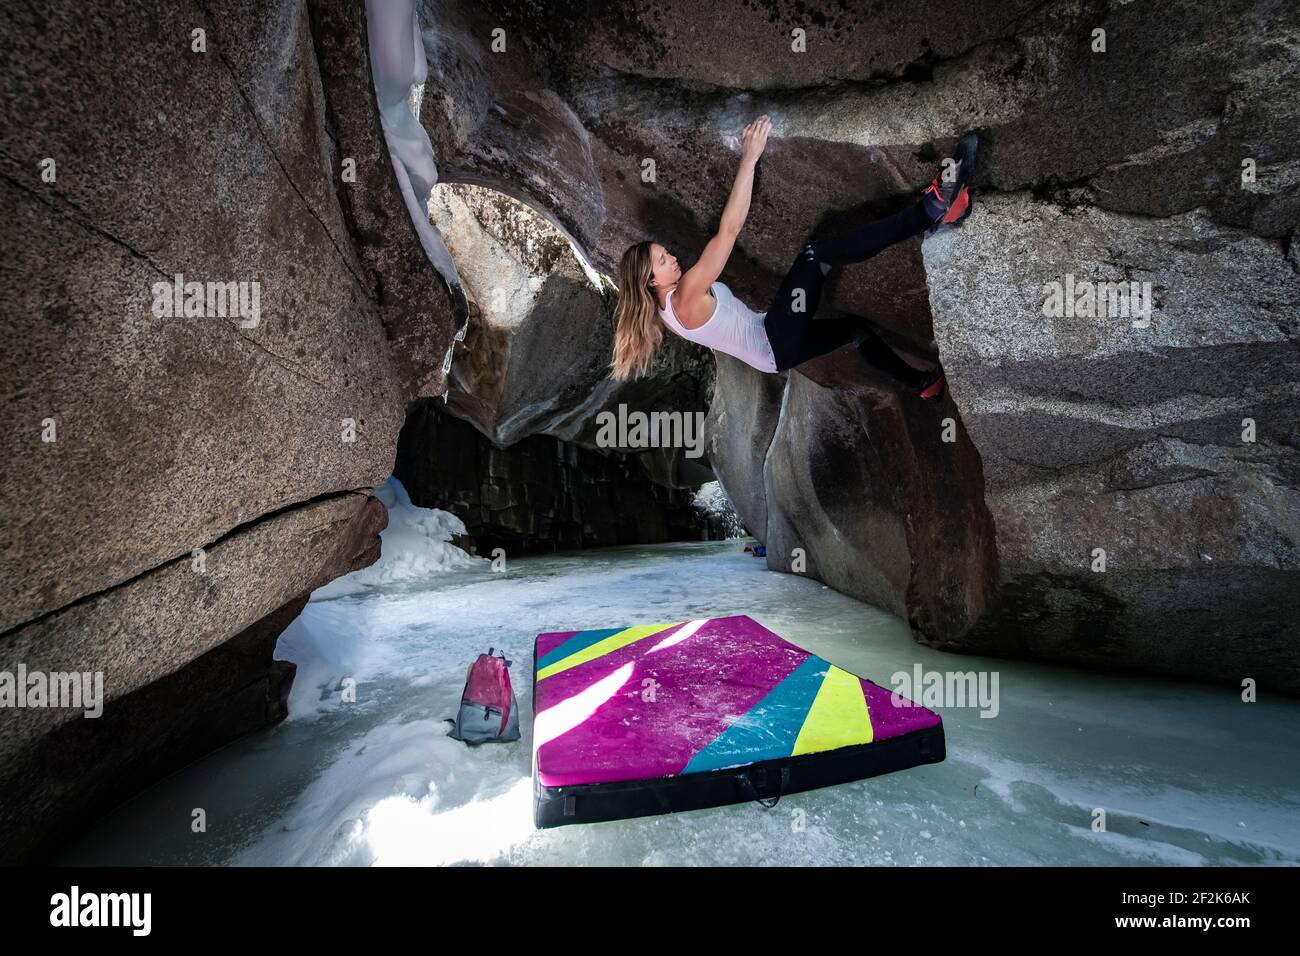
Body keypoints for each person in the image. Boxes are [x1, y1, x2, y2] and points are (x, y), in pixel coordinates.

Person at [611, 116, 978, 401]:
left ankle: (922, 385)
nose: (671, 257)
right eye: (661, 260)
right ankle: (930, 210)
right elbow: (729, 230)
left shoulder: (662, 311)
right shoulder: (685, 294)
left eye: (664, 252)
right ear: (650, 281)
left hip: (774, 354)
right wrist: (749, 158)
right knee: (816, 255)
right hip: (774, 338)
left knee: (854, 330)